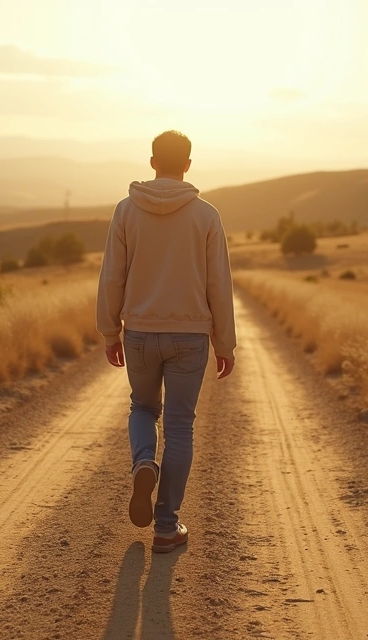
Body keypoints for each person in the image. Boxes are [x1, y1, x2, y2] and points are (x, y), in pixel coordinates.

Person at [96, 130, 237, 554]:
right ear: (188, 165)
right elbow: (219, 283)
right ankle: (166, 526)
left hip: (139, 332)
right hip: (190, 337)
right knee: (179, 426)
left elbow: (112, 276)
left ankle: (143, 462)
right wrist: (224, 343)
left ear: (153, 160)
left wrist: (109, 331)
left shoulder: (125, 211)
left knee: (142, 407)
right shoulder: (207, 215)